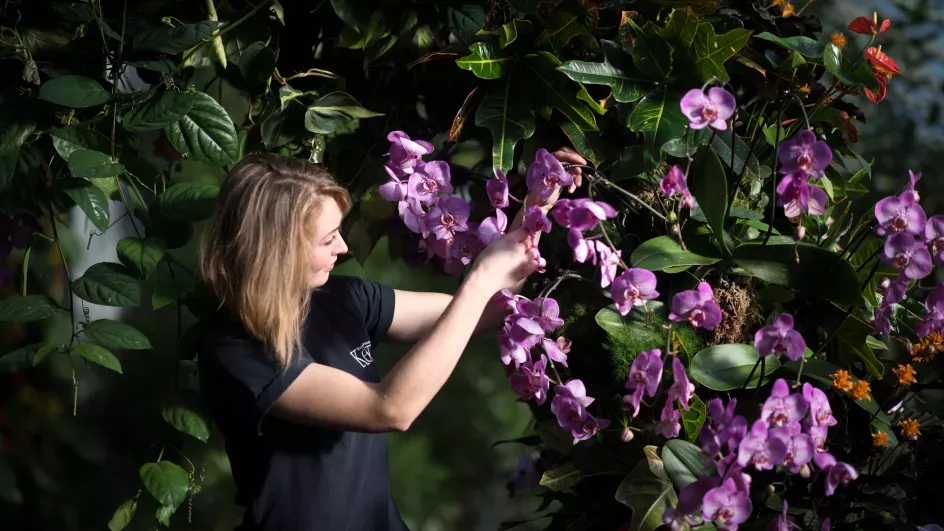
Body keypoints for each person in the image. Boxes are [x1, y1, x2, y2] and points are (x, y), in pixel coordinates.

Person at [196, 148, 586, 531]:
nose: (343, 248)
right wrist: (481, 276)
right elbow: (390, 409)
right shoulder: (237, 348)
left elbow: (484, 311)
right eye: (327, 239)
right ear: (278, 250)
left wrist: (535, 208)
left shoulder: (344, 298)